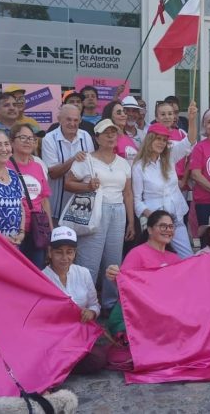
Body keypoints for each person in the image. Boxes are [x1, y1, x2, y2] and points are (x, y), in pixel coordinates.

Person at [65, 119, 135, 311]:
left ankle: (109, 304)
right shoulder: (85, 159)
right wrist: (87, 186)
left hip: (118, 211)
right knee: (89, 260)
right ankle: (84, 304)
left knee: (114, 260)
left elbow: (127, 193)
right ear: (97, 137)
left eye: (114, 132)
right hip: (96, 209)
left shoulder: (123, 163)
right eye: (106, 133)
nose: (111, 136)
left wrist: (131, 221)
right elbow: (68, 183)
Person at [42, 226, 106, 374]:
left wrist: (91, 313)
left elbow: (95, 305)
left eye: (69, 252)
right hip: (55, 337)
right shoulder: (42, 278)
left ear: (75, 253)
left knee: (98, 359)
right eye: (59, 252)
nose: (65, 258)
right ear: (50, 253)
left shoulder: (83, 273)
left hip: (80, 334)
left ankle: (65, 365)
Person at [133, 123, 195, 258]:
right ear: (149, 139)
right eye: (158, 139)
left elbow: (190, 140)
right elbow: (137, 200)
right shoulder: (139, 167)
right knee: (157, 258)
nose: (161, 143)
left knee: (187, 256)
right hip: (155, 222)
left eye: (164, 140)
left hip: (175, 217)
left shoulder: (169, 157)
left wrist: (191, 119)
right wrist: (152, 216)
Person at [7, 124, 53, 268]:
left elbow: (44, 200)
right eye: (23, 137)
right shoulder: (4, 166)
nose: (28, 141)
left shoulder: (38, 166)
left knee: (37, 270)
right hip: (13, 230)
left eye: (31, 138)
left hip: (37, 230)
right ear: (12, 141)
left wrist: (50, 231)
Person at [41, 104, 95, 225]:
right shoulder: (49, 139)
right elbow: (53, 173)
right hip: (57, 207)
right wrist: (73, 160)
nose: (72, 123)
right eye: (68, 119)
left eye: (76, 120)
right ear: (59, 119)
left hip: (81, 208)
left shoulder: (86, 136)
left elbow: (91, 169)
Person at [105, 210, 182, 281]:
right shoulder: (136, 254)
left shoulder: (174, 258)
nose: (168, 230)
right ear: (150, 230)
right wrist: (115, 275)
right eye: (163, 226)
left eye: (171, 227)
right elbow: (125, 283)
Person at [102, 99, 138, 164]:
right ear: (110, 116)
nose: (123, 115)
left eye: (124, 112)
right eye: (119, 113)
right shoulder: (109, 139)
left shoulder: (128, 136)